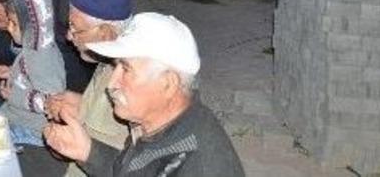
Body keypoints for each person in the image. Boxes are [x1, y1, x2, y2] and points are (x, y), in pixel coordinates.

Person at [44, 12, 245, 177]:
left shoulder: (197, 164)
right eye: (115, 68)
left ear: (168, 83)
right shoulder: (160, 124)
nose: (112, 84)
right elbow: (135, 170)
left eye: (126, 69)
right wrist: (87, 151)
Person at [43, 0, 133, 177]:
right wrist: (81, 103)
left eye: (76, 29)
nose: (68, 36)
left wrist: (76, 146)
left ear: (106, 33)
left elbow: (137, 167)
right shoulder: (106, 57)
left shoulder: (133, 82)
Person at [0, 0, 66, 147]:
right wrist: (11, 73)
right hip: (16, 117)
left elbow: (52, 101)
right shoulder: (35, 47)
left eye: (14, 24)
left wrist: (13, 95)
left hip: (29, 130)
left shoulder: (43, 56)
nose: (9, 28)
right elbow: (28, 73)